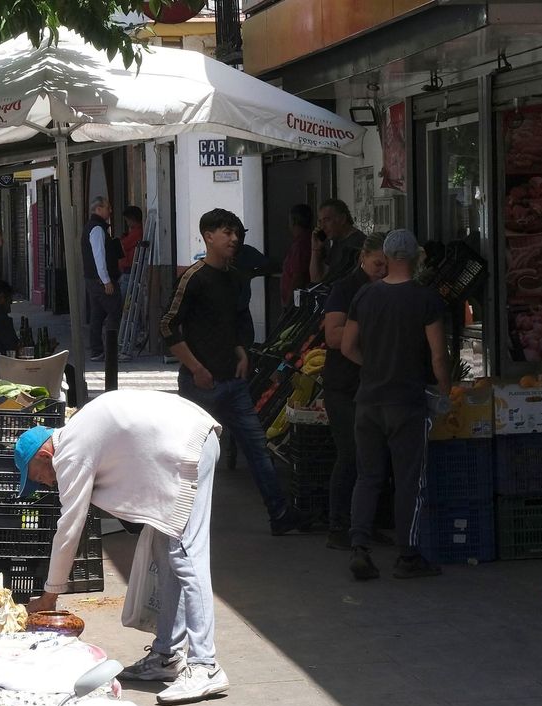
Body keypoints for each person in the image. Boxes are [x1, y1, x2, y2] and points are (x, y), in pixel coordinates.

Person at [14, 390, 230, 704]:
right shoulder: (77, 435)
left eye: (38, 477)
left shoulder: (70, 452)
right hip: (180, 445)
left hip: (189, 445)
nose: (45, 484)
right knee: (165, 554)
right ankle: (166, 656)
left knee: (185, 554)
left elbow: (70, 526)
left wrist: (50, 595)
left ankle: (205, 665)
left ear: (45, 456)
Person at [161, 208, 310, 536]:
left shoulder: (232, 277)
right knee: (190, 457)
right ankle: (174, 521)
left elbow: (232, 323)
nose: (234, 238)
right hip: (200, 385)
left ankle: (280, 514)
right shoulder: (193, 278)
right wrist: (195, 367)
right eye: (226, 232)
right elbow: (167, 326)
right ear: (208, 236)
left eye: (236, 232)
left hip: (233, 381)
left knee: (257, 448)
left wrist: (241, 351)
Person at [341, 229, 448, 580]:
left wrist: (373, 367)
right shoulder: (425, 299)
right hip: (407, 401)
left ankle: (358, 546)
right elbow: (437, 356)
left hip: (368, 400)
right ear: (415, 257)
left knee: (368, 476)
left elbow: (347, 346)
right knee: (407, 480)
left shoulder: (366, 295)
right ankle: (408, 554)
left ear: (386, 257)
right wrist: (445, 392)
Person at [321, 232, 388, 549]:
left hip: (373, 385)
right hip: (344, 385)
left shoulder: (387, 288)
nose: (382, 270)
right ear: (365, 257)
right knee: (350, 453)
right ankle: (338, 525)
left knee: (373, 457)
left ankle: (364, 523)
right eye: (378, 263)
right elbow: (333, 337)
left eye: (388, 265)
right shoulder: (346, 288)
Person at [82, 196, 122, 362]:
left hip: (92, 280)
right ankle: (111, 349)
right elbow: (99, 256)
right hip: (99, 281)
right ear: (98, 209)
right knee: (114, 310)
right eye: (107, 207)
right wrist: (106, 281)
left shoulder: (93, 226)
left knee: (97, 315)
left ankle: (97, 351)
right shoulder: (97, 229)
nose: (110, 211)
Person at [309, 198, 366, 286]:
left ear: (343, 219)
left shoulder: (358, 243)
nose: (322, 226)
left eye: (327, 220)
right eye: (320, 222)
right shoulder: (337, 242)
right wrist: (315, 249)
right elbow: (316, 278)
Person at [279, 204, 314, 304]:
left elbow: (298, 278)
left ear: (293, 221)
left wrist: (289, 305)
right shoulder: (308, 240)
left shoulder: (300, 245)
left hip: (298, 302)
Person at [118, 205, 145, 293]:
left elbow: (123, 245)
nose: (127, 223)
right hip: (129, 269)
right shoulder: (135, 232)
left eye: (127, 220)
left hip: (130, 270)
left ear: (132, 219)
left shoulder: (137, 232)